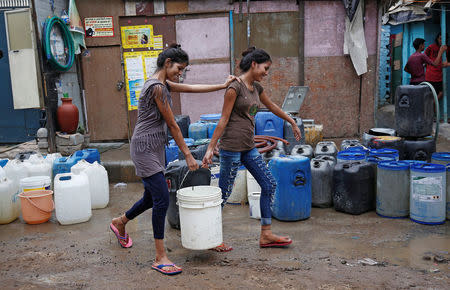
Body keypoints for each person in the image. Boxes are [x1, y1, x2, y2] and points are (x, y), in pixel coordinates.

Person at [110, 44, 239, 276]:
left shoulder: (163, 83)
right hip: (144, 148)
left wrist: (222, 85)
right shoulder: (157, 88)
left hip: (153, 147)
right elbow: (172, 124)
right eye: (180, 68)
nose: (181, 73)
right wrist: (188, 155)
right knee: (161, 200)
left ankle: (120, 222)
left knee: (151, 197)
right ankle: (160, 257)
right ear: (167, 63)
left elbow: (191, 88)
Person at [202, 47, 301, 252]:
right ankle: (210, 237)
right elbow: (223, 119)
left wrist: (291, 121)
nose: (267, 72)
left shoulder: (256, 89)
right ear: (254, 64)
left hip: (248, 147)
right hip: (231, 148)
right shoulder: (234, 88)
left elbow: (272, 106)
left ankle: (266, 234)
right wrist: (211, 148)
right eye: (265, 68)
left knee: (269, 184)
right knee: (224, 194)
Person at [424, 33, 448, 98]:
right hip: (430, 76)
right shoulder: (431, 47)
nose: (442, 40)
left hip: (439, 77)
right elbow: (424, 58)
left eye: (444, 39)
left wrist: (448, 63)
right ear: (437, 39)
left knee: (441, 93)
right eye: (440, 39)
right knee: (429, 94)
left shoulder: (447, 49)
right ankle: (432, 105)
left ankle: (433, 104)